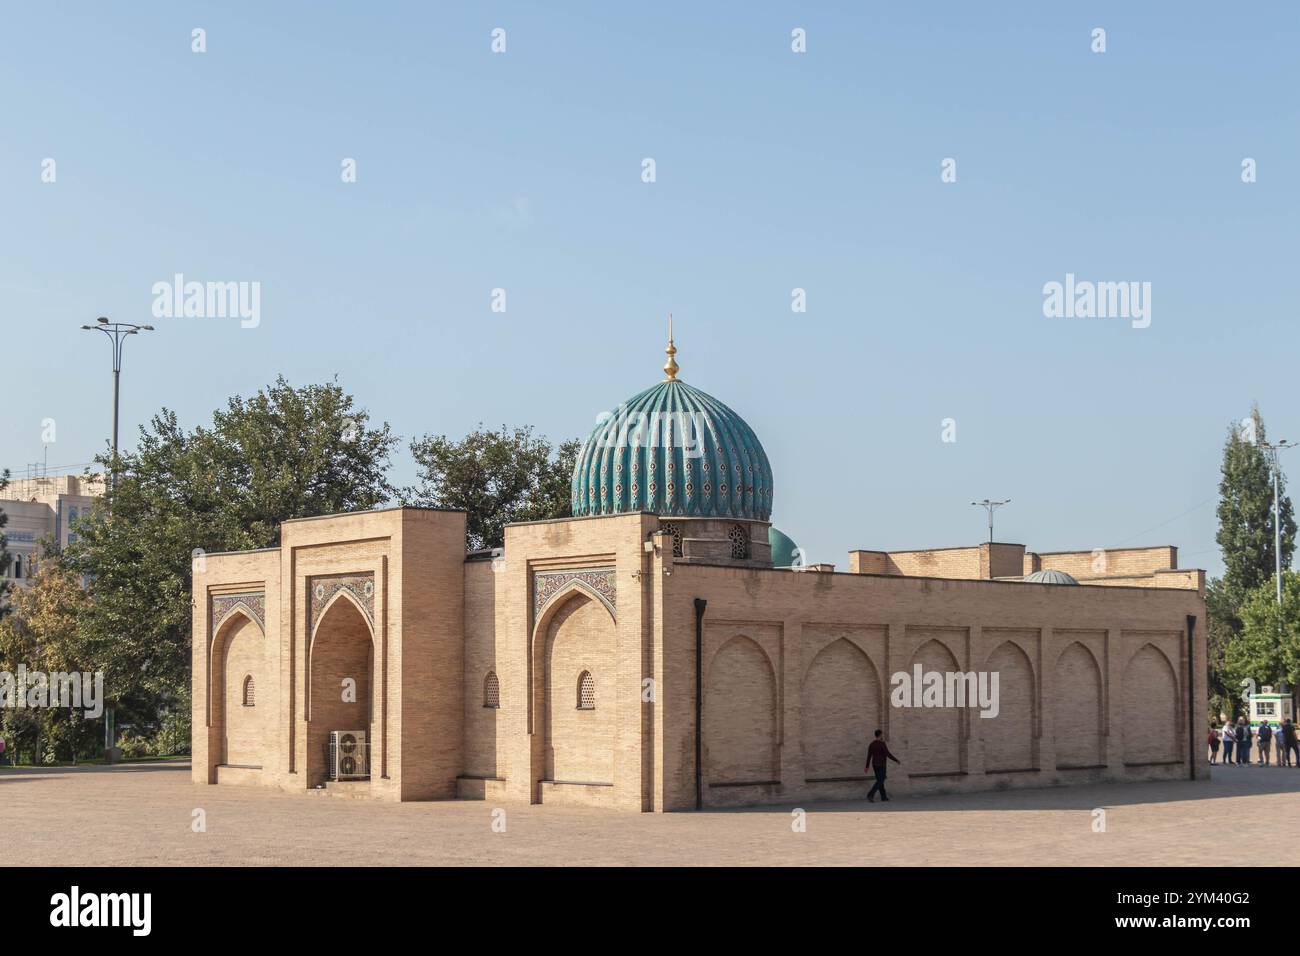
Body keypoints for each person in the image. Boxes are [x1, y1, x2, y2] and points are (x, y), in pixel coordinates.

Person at [865, 729, 901, 803]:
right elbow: (888, 754)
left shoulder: (871, 744)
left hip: (875, 764)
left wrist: (867, 766)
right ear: (880, 735)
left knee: (880, 781)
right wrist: (896, 760)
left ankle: (883, 797)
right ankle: (870, 795)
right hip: (881, 765)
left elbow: (869, 756)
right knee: (881, 780)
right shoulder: (882, 744)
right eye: (882, 734)